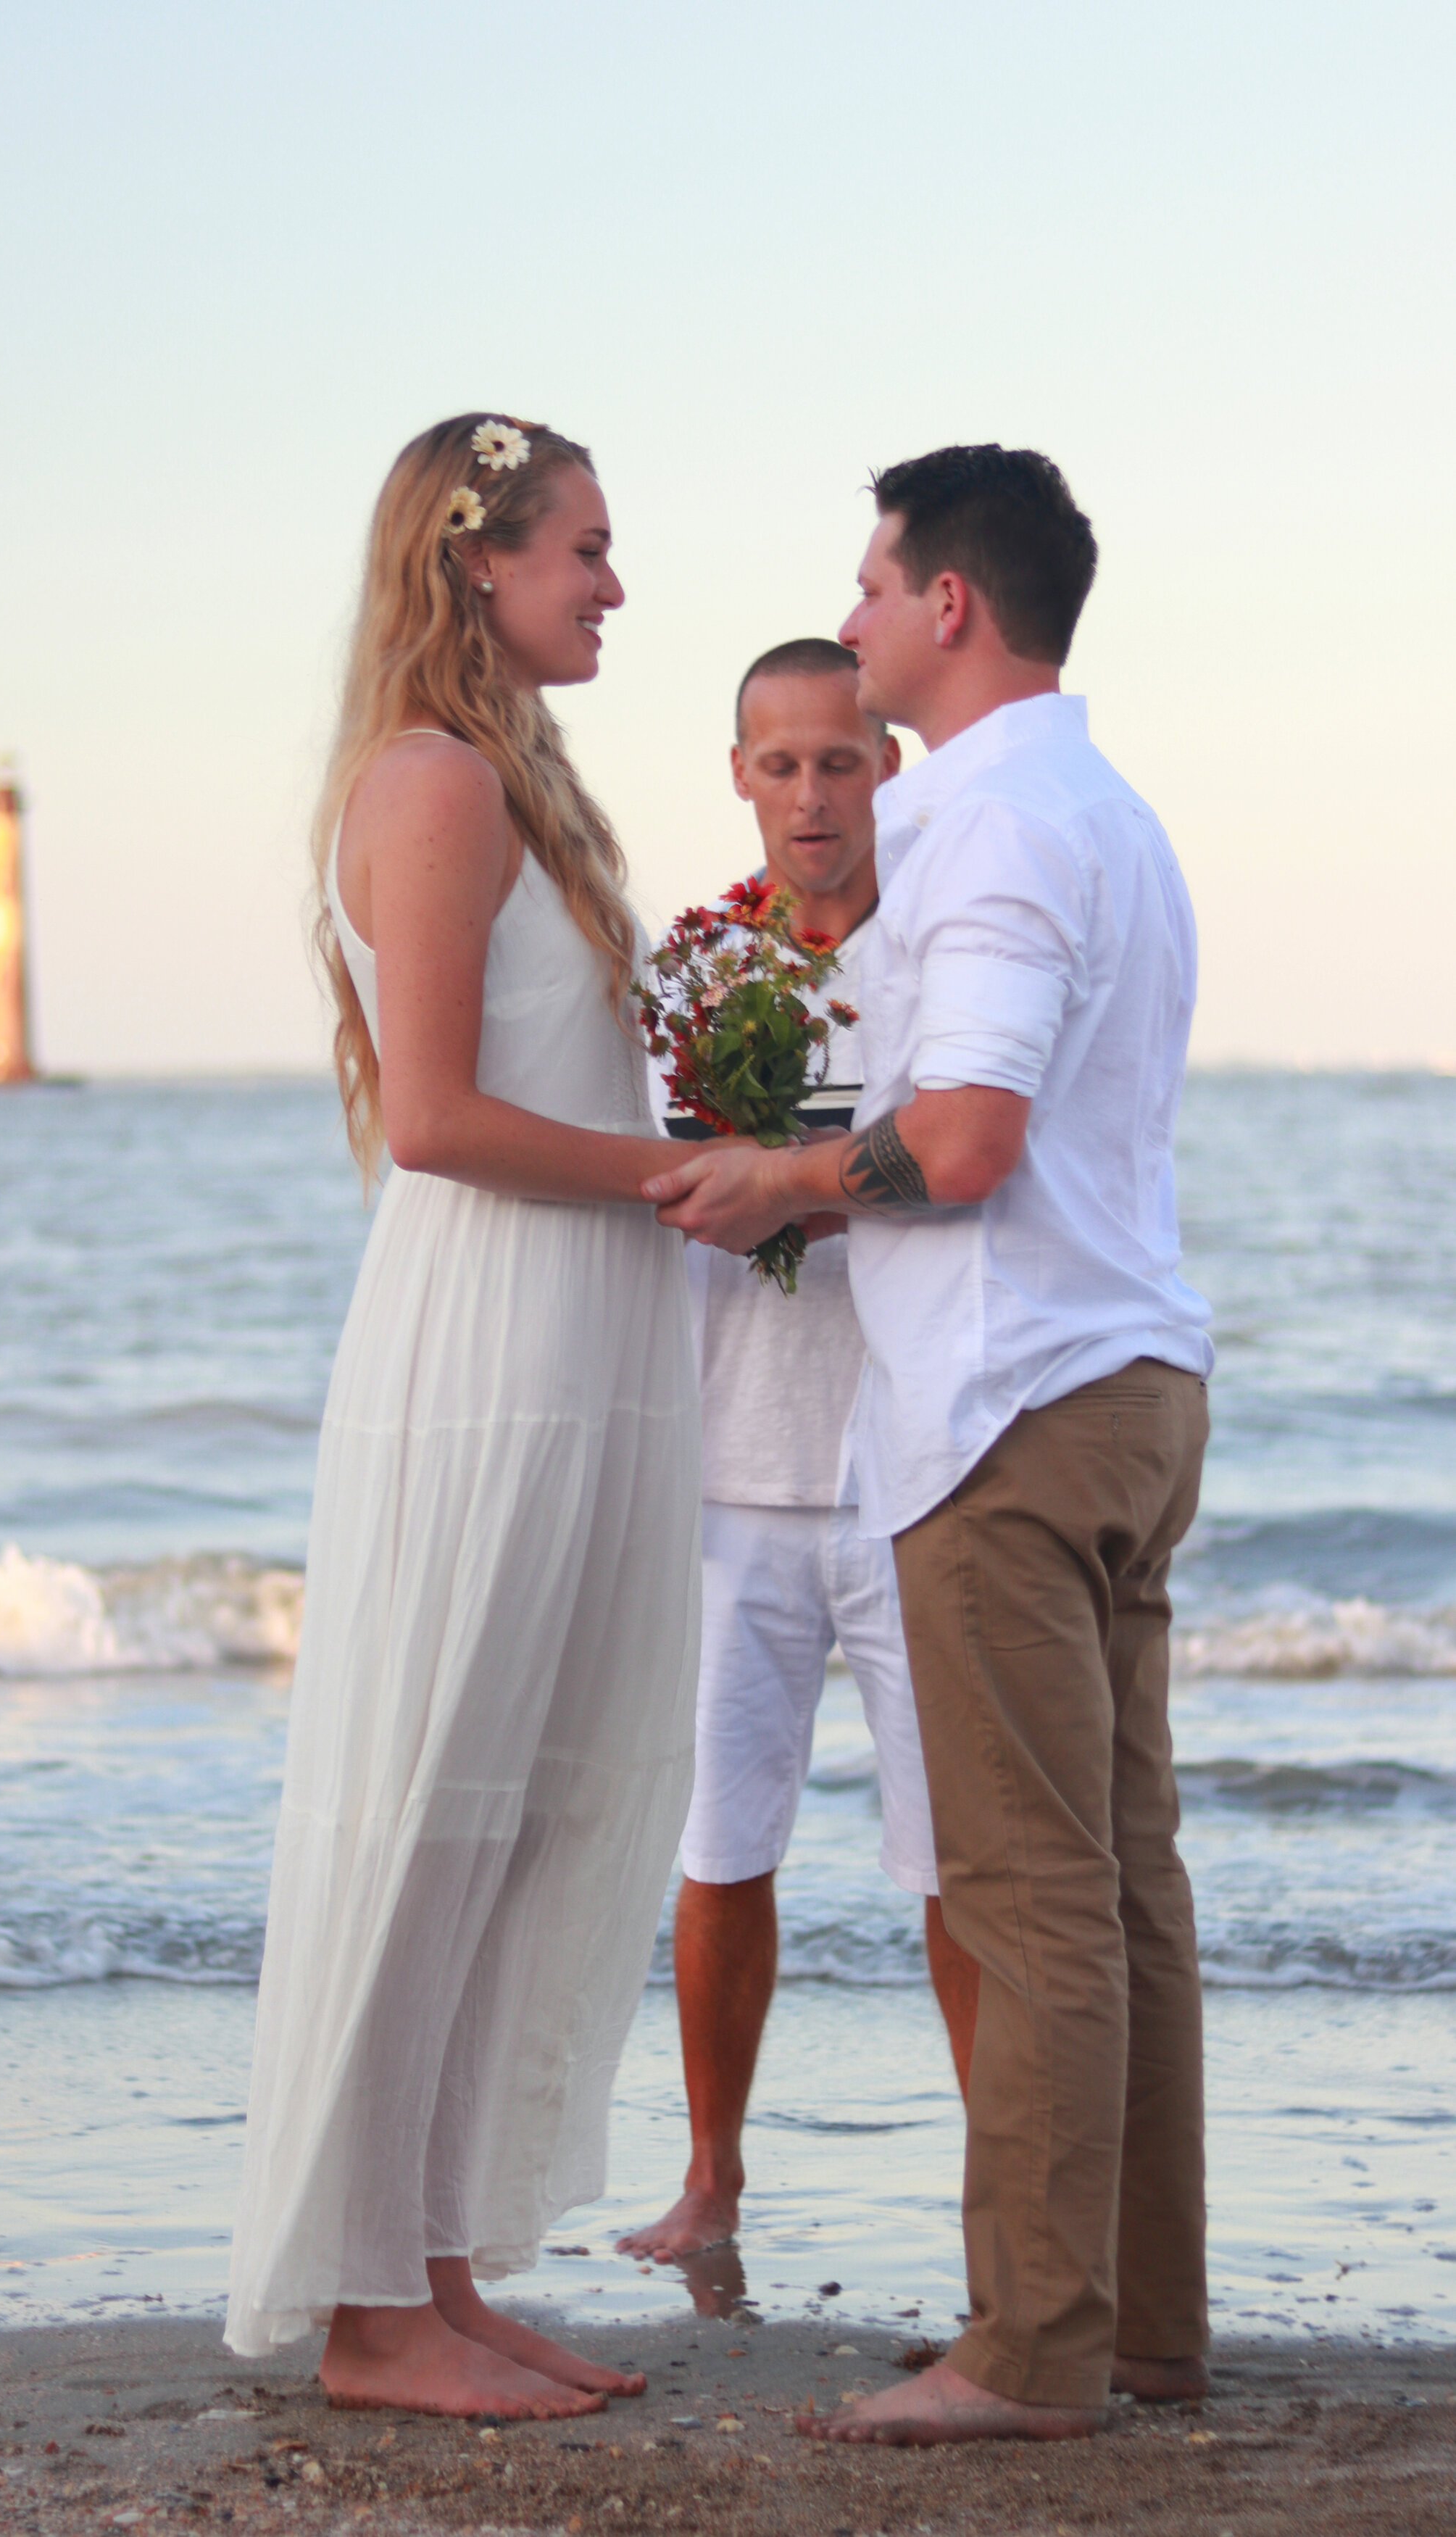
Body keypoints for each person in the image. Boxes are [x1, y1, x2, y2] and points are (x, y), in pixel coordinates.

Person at [646, 445, 1213, 2446]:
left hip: (1005, 1409)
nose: (857, 612)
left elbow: (959, 1142)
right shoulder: (1107, 806)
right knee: (1121, 1880)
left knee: (1025, 1888)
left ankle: (1030, 2349)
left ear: (945, 604)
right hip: (1131, 1380)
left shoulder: (977, 818)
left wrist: (783, 1176)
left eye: (869, 583)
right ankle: (1144, 2319)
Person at [226, 415, 702, 2422]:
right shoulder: (429, 783)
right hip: (489, 1348)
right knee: (427, 1806)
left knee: (522, 1809)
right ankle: (360, 2312)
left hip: (574, 1340)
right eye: (584, 546)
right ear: (471, 558)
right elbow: (430, 1119)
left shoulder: (515, 784)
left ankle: (432, 2269)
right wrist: (680, 1175)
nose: (611, 582)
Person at [617, 640, 978, 2272]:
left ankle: (1003, 2201)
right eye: (779, 764)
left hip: (914, 1458)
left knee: (951, 1857)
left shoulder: (936, 950)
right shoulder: (690, 972)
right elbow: (641, 1186)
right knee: (720, 1844)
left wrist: (802, 1182)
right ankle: (709, 2176)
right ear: (740, 773)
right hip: (733, 1460)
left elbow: (972, 1159)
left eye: (840, 760)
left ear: (885, 764)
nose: (811, 793)